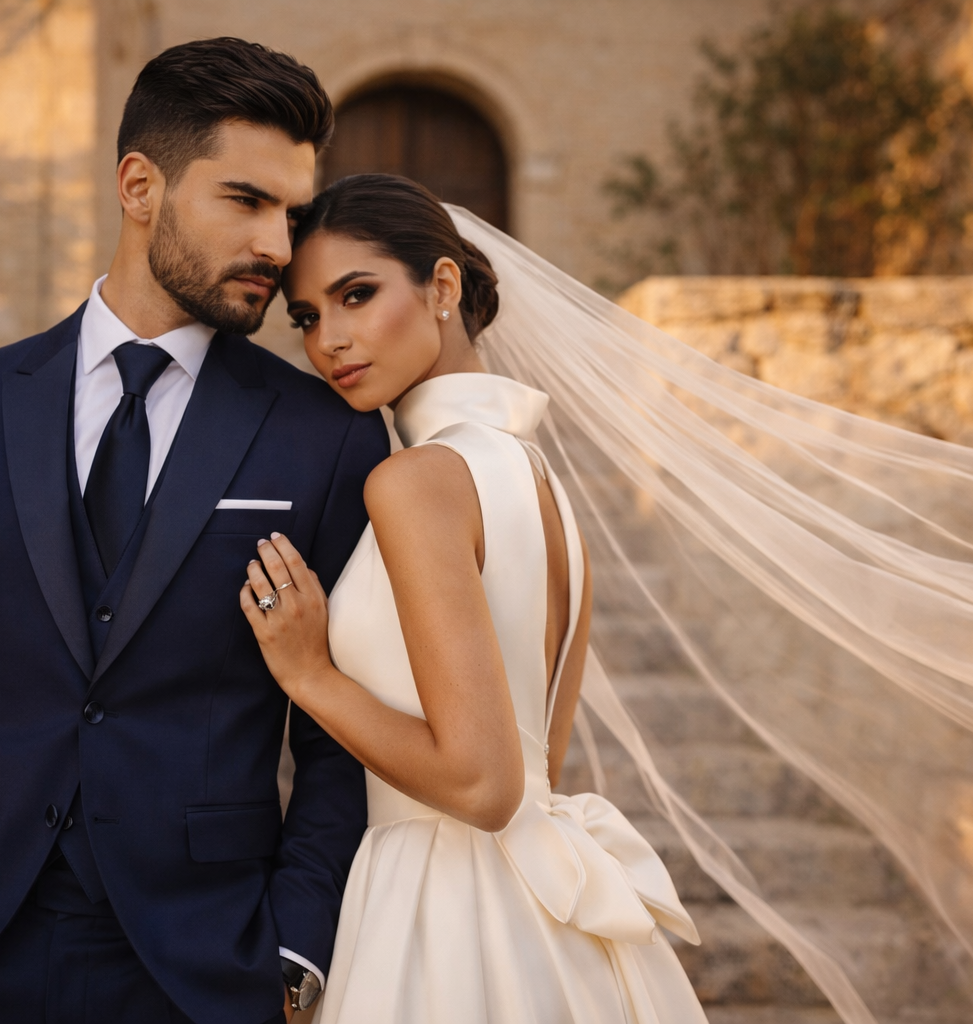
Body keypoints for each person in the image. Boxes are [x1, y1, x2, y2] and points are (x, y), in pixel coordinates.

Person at [0, 39, 387, 1024]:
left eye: (293, 213)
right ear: (141, 185)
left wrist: (296, 945)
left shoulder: (326, 437)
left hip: (204, 962)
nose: (278, 242)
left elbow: (342, 733)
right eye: (246, 201)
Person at [240, 174, 708, 1022]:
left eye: (357, 294)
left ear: (443, 286)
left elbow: (485, 783)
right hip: (548, 921)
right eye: (306, 317)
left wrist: (309, 675)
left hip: (439, 911)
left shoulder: (416, 482)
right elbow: (537, 762)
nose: (330, 340)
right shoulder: (542, 486)